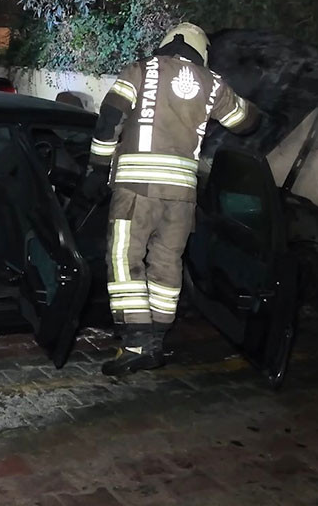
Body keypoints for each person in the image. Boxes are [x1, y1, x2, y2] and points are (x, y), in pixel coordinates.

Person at [88, 22, 261, 375]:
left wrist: (95, 168)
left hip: (137, 189)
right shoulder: (213, 83)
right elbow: (245, 121)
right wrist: (253, 97)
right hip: (181, 196)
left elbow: (110, 118)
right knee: (167, 263)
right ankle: (155, 342)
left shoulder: (141, 70)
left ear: (167, 44)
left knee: (124, 258)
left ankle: (136, 343)